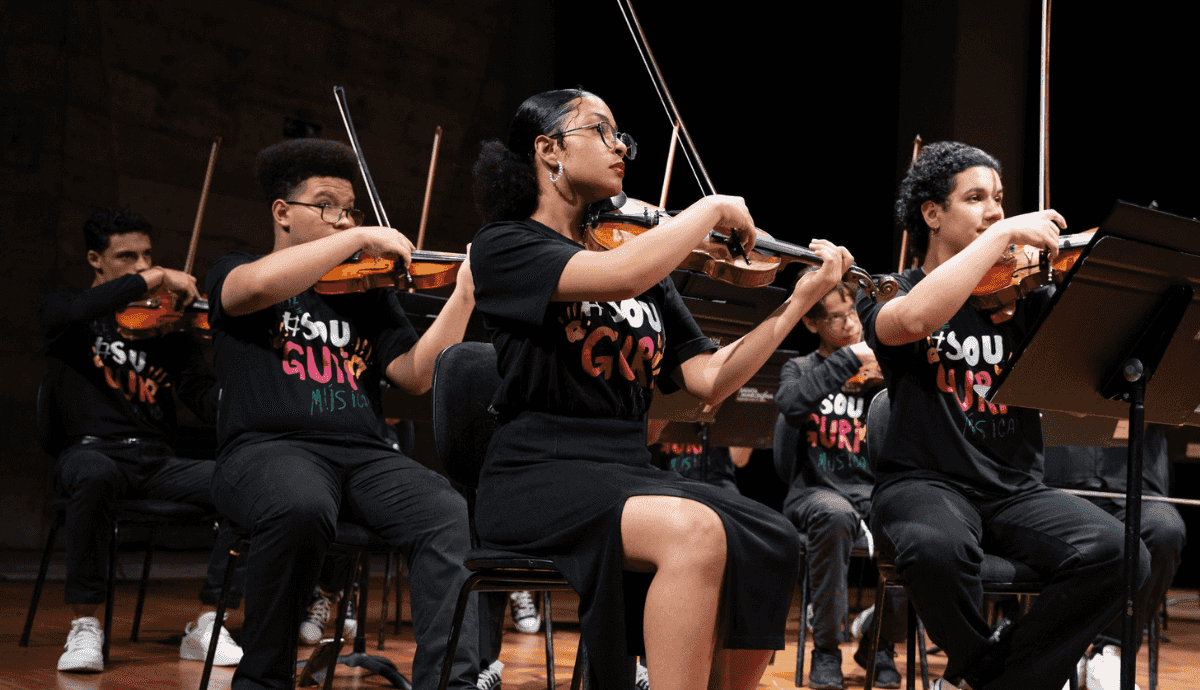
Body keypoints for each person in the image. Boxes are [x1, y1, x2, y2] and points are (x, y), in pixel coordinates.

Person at [468, 87, 851, 690]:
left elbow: (708, 380)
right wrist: (708, 210)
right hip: (538, 470)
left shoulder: (634, 255)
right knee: (693, 532)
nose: (620, 146)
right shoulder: (506, 246)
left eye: (622, 134)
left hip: (627, 467)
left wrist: (796, 301)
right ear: (548, 150)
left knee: (774, 537)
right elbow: (621, 276)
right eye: (601, 130)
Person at [856, 141, 1148, 690]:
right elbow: (908, 323)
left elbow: (1091, 358)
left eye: (1000, 199)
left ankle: (989, 680)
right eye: (976, 198)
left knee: (1122, 553)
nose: (995, 210)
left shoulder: (1026, 295)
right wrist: (1002, 234)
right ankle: (987, 672)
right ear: (932, 213)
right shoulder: (894, 288)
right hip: (924, 482)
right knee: (933, 548)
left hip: (1015, 490)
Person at [205, 138, 488, 690]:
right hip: (266, 450)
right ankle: (264, 680)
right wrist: (359, 235)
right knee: (300, 505)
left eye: (350, 210)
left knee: (444, 510)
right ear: (282, 213)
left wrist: (465, 297)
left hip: (363, 456)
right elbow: (254, 288)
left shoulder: (367, 293)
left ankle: (449, 684)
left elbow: (414, 374)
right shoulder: (237, 268)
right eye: (327, 205)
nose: (342, 220)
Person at [37, 207, 244, 673]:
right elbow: (73, 310)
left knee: (245, 482)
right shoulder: (65, 310)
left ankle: (210, 621)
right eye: (127, 256)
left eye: (147, 255)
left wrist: (241, 387)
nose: (142, 265)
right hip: (89, 451)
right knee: (93, 475)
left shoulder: (165, 327)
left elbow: (199, 393)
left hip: (155, 461)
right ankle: (86, 624)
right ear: (95, 259)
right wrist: (155, 278)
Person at [774, 276, 904, 689]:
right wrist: (851, 359)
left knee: (922, 524)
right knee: (833, 515)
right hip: (815, 492)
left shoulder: (878, 371)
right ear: (812, 324)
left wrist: (889, 379)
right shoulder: (801, 368)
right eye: (836, 317)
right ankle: (826, 649)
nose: (851, 324)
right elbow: (792, 406)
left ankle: (879, 642)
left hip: (873, 494)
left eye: (853, 313)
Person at [1043, 427, 1186, 690]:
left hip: (1136, 483)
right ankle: (1056, 653)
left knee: (1165, 530)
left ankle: (1110, 652)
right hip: (1059, 480)